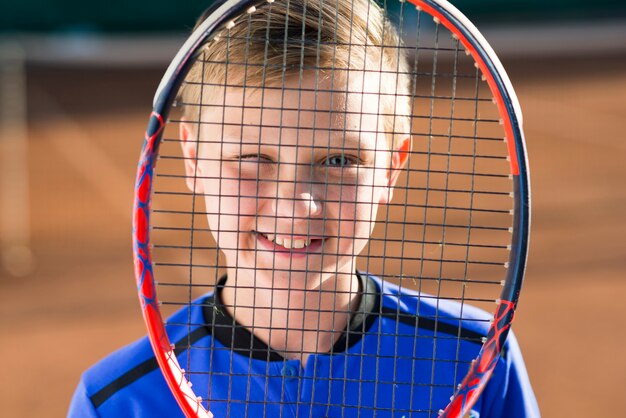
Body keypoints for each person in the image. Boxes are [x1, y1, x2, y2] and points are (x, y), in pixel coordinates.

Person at [69, 0, 540, 416]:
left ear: (392, 168)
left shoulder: (476, 362)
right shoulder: (118, 402)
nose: (297, 206)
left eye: (339, 160)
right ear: (193, 159)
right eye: (252, 160)